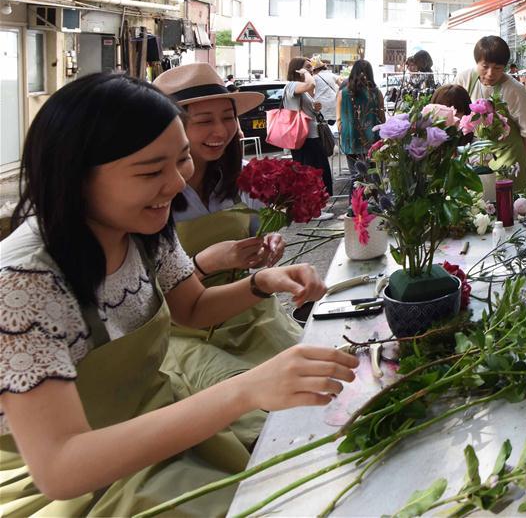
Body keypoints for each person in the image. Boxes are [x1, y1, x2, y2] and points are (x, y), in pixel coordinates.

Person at [0, 73, 358, 515]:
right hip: (80, 485)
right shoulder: (23, 283)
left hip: (158, 430)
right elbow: (60, 467)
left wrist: (260, 282)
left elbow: (191, 307)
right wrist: (245, 391)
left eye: (181, 161)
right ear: (74, 173)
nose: (175, 183)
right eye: (151, 170)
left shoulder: (144, 225)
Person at [153, 63, 305, 447]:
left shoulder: (240, 178)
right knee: (249, 418)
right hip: (186, 333)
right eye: (203, 120)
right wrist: (207, 263)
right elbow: (141, 297)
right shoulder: (151, 196)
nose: (219, 132)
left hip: (250, 314)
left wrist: (268, 245)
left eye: (227, 118)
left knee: (309, 387)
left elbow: (257, 234)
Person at [453, 35, 526, 191]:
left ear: (505, 67)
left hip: (508, 157)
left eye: (498, 68)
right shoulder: (464, 79)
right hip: (475, 156)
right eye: (485, 66)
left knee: (509, 204)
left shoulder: (515, 90)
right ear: (476, 62)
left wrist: (518, 163)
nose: (491, 73)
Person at [284, 57, 334, 211]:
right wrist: (306, 73)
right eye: (307, 67)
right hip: (304, 138)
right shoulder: (292, 85)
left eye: (311, 68)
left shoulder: (301, 88)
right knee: (311, 174)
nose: (311, 70)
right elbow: (311, 83)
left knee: (317, 172)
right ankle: (313, 210)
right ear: (297, 69)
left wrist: (315, 108)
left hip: (310, 136)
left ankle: (315, 208)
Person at [337, 59, 385, 199]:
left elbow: (339, 119)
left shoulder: (342, 93)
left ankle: (353, 208)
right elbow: (381, 119)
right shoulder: (376, 93)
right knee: (373, 175)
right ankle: (375, 206)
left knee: (355, 177)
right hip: (372, 141)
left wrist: (344, 134)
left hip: (350, 139)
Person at [311, 57, 339, 125]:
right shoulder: (332, 75)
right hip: (333, 104)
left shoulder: (314, 77)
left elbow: (310, 92)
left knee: (322, 126)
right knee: (331, 125)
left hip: (320, 105)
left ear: (315, 69)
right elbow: (342, 84)